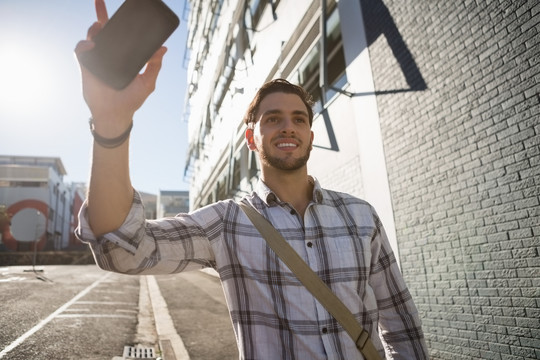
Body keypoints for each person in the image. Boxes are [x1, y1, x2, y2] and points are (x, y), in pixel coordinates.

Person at [75, 1, 429, 359]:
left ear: (309, 134)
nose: (288, 125)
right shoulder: (226, 222)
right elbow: (122, 251)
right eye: (272, 119)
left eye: (299, 119)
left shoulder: (362, 216)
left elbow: (401, 325)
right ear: (251, 139)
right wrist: (111, 122)